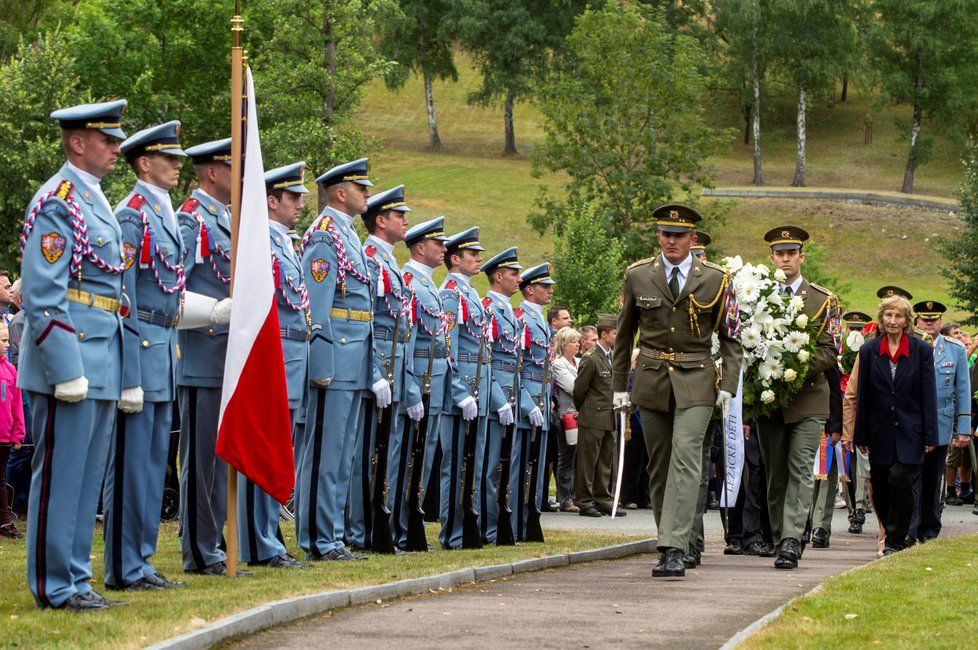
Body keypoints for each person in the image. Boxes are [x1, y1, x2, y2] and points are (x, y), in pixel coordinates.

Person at [22, 98, 129, 611]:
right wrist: (65, 367)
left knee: (87, 479)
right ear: (77, 142)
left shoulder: (95, 198)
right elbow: (44, 293)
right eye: (107, 140)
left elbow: (110, 290)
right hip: (72, 359)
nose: (115, 149)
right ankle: (52, 585)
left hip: (103, 355)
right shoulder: (59, 200)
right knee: (61, 476)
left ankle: (77, 578)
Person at [613, 204, 742, 578]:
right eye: (666, 234)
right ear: (658, 236)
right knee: (660, 465)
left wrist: (729, 385)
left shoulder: (717, 280)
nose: (672, 241)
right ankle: (669, 537)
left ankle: (673, 547)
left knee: (687, 459)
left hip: (698, 378)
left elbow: (731, 338)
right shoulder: (638, 275)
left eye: (679, 235)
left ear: (693, 240)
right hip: (652, 378)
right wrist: (620, 387)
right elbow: (623, 337)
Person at [103, 121, 199, 591]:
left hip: (164, 347)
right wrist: (128, 370)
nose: (178, 165)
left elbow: (171, 290)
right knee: (132, 462)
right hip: (139, 346)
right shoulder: (133, 215)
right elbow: (123, 297)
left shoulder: (161, 213)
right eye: (170, 158)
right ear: (145, 162)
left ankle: (141, 559)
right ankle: (123, 564)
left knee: (154, 455)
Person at [235, 162, 311, 569]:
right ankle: (260, 542)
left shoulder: (284, 242)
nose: (300, 204)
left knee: (279, 447)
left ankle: (270, 537)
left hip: (293, 355)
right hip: (275, 354)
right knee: (265, 447)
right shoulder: (263, 240)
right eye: (293, 197)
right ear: (271, 201)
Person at [297, 158, 373, 562]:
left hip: (353, 355)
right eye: (362, 189)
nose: (368, 195)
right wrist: (321, 364)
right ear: (340, 193)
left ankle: (334, 535)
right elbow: (318, 307)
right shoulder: (325, 237)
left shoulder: (347, 236)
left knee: (342, 454)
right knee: (325, 453)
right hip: (336, 355)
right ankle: (316, 538)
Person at [755, 225, 839, 570]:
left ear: (802, 257)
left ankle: (792, 539)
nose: (785, 259)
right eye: (779, 253)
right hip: (767, 399)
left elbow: (831, 350)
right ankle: (780, 535)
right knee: (775, 473)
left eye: (791, 253)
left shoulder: (823, 300)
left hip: (807, 398)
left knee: (801, 468)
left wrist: (796, 364)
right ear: (772, 258)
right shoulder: (756, 297)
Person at [347, 185, 421, 551]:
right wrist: (375, 373)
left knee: (386, 454)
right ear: (380, 221)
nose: (405, 221)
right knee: (365, 456)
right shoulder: (371, 259)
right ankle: (358, 530)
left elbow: (400, 330)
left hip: (394, 368)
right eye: (398, 216)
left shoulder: (388, 261)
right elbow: (368, 324)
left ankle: (379, 525)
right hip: (372, 368)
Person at [175, 138, 234, 576]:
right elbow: (169, 287)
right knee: (201, 462)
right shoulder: (192, 220)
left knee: (221, 457)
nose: (239, 176)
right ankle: (199, 550)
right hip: (200, 352)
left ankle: (213, 543)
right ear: (211, 172)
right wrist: (213, 313)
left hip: (226, 356)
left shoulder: (228, 220)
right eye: (231, 167)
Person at [853, 295, 938, 555]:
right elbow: (863, 395)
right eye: (888, 315)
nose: (893, 321)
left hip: (911, 431)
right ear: (881, 319)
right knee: (880, 484)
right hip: (879, 431)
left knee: (901, 479)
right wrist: (861, 434)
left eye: (898, 316)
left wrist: (930, 435)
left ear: (906, 321)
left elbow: (928, 394)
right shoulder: (869, 350)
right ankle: (890, 531)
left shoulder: (920, 350)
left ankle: (897, 540)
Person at [392, 217, 452, 549]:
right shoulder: (412, 283)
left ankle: (409, 524)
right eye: (437, 244)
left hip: (435, 382)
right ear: (420, 248)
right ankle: (396, 526)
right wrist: (412, 386)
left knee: (424, 458)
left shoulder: (427, 284)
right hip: (418, 382)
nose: (443, 249)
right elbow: (408, 340)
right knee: (404, 459)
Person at [440, 227, 495, 549]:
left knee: (473, 465)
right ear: (456, 258)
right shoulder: (451, 293)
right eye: (473, 255)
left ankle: (466, 527)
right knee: (456, 465)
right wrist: (460, 392)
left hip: (479, 389)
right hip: (462, 393)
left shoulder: (469, 293)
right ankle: (453, 532)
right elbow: (450, 345)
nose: (479, 260)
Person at [908, 300, 970, 543]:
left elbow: (963, 390)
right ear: (917, 321)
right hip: (912, 422)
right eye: (925, 319)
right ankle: (909, 527)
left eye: (934, 320)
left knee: (934, 478)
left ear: (941, 322)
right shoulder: (909, 345)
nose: (929, 324)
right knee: (910, 475)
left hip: (941, 421)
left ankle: (929, 528)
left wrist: (962, 428)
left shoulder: (954, 349)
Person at [478, 247, 524, 542]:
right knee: (488, 467)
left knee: (503, 467)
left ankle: (497, 525)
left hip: (511, 397)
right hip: (495, 398)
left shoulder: (508, 310)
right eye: (513, 273)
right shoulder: (490, 308)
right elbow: (488, 360)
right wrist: (499, 400)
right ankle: (486, 526)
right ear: (497, 277)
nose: (519, 279)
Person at [515, 263, 553, 538]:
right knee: (520, 466)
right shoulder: (522, 318)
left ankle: (530, 519)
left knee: (537, 466)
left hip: (542, 397)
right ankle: (516, 520)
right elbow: (518, 366)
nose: (549, 291)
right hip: (527, 397)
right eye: (544, 286)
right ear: (530, 290)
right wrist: (527, 403)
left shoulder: (538, 319)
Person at [573, 314, 619, 517]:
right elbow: (579, 390)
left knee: (604, 462)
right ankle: (584, 501)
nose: (619, 337)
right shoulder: (591, 358)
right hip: (592, 416)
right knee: (587, 462)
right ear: (604, 334)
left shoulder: (611, 357)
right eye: (615, 333)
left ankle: (602, 499)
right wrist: (585, 410)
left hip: (608, 417)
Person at [807, 364, 844, 549]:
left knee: (827, 476)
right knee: (804, 476)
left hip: (825, 423)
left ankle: (820, 527)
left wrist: (836, 425)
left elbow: (835, 391)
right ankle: (804, 524)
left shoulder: (824, 346)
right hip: (799, 421)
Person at [542, 304, 572, 510]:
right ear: (554, 322)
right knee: (550, 456)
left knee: (553, 455)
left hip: (554, 406)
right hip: (553, 408)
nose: (569, 320)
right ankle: (542, 496)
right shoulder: (551, 344)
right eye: (565, 318)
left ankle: (543, 497)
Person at [550, 326, 581, 512]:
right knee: (566, 457)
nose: (577, 344)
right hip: (567, 415)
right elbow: (574, 387)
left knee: (579, 458)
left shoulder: (579, 361)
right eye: (573, 341)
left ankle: (578, 495)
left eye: (578, 341)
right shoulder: (559, 364)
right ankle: (565, 498)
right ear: (563, 345)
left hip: (581, 414)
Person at [0, 323, 25, 538]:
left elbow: (17, 405)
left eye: (8, 340)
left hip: (4, 436)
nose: (8, 345)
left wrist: (18, 433)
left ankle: (4, 523)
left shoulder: (10, 370)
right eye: (3, 340)